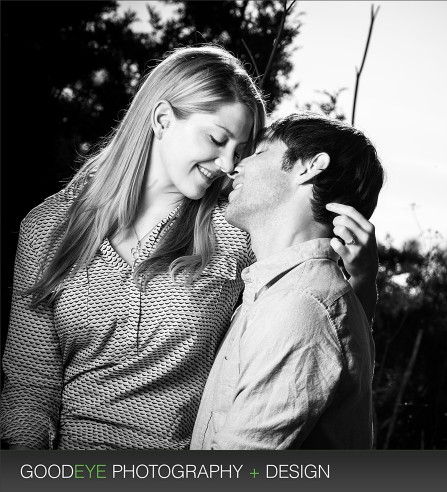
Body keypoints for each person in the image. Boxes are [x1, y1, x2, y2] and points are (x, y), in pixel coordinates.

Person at [0, 46, 378, 450]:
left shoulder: (237, 228)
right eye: (217, 139)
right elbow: (29, 387)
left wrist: (361, 282)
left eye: (243, 151)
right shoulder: (47, 227)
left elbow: (314, 329)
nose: (228, 164)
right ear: (162, 119)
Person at [191, 113, 382, 449]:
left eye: (260, 152)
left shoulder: (299, 308)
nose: (236, 166)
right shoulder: (284, 296)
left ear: (308, 167)